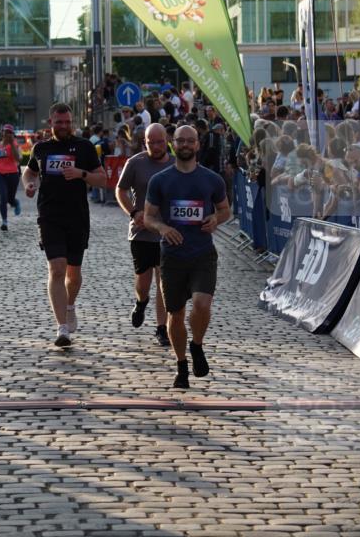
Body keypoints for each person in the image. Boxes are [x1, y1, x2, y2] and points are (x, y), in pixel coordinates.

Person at [144, 124, 230, 389]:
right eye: (180, 140)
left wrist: (215, 219)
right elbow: (148, 217)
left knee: (202, 305)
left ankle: (197, 345)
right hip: (172, 257)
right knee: (175, 314)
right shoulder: (160, 180)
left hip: (203, 253)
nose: (184, 145)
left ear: (197, 144)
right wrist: (163, 227)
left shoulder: (212, 179)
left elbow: (226, 211)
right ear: (173, 143)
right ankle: (181, 363)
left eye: (189, 141)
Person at [22, 102, 106, 347]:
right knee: (56, 269)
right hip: (49, 216)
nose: (64, 126)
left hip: (77, 217)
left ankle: (70, 305)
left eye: (68, 122)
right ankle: (62, 329)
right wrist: (28, 184)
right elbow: (29, 172)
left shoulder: (84, 147)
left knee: (74, 273)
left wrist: (81, 174)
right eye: (59, 122)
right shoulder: (41, 148)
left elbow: (103, 179)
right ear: (51, 123)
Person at [116, 123, 175, 347]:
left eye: (160, 142)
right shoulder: (136, 163)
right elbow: (120, 190)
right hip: (141, 232)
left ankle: (161, 328)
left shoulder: (175, 164)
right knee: (143, 281)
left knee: (164, 281)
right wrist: (133, 211)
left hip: (166, 232)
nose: (156, 146)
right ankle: (141, 302)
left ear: (167, 140)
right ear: (145, 143)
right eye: (152, 143)